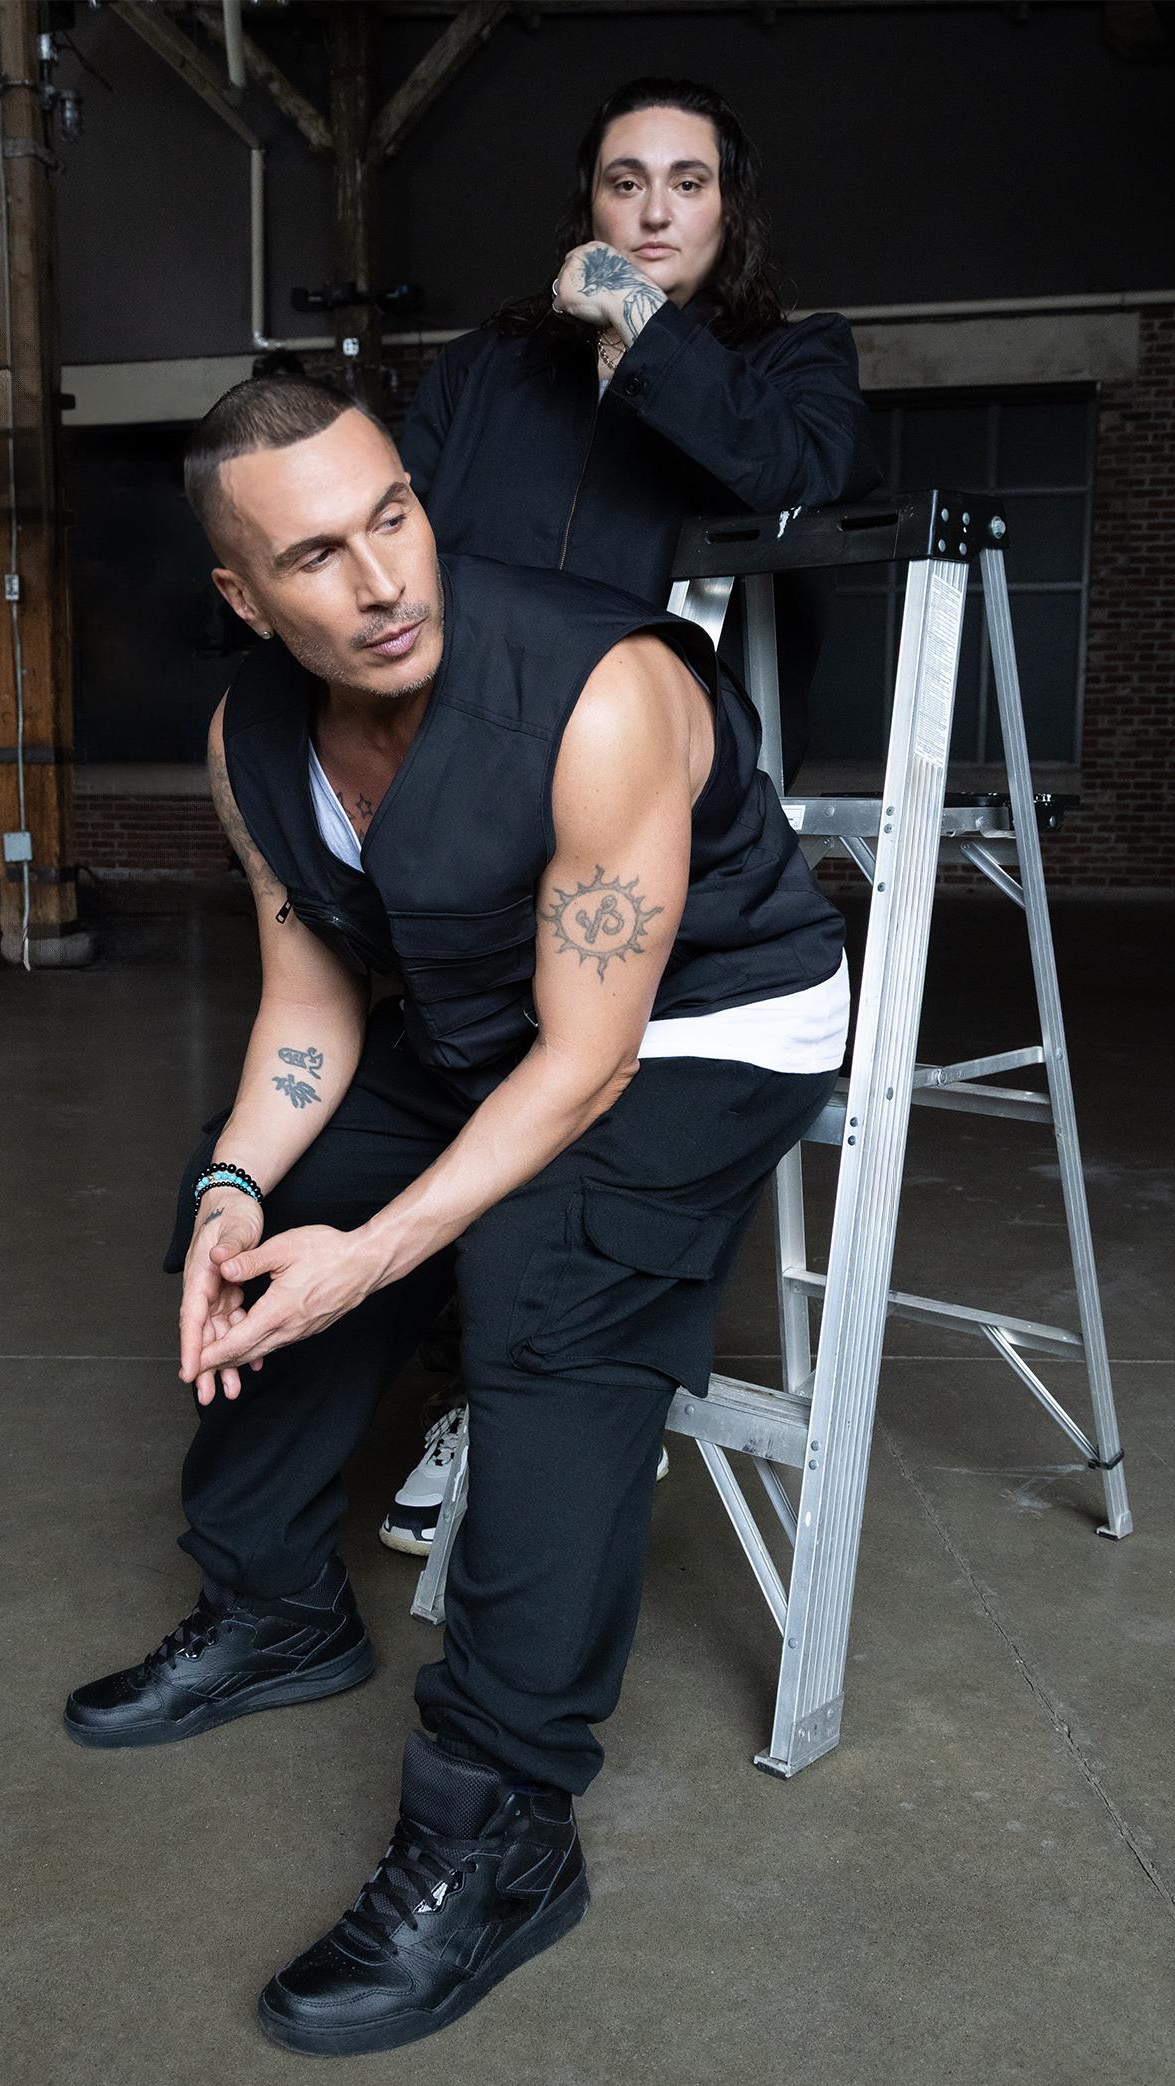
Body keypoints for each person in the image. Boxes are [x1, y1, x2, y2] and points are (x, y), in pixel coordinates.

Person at [64, 374, 847, 2054]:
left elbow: (587, 1064)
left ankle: (500, 1825)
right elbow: (309, 1000)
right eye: (316, 557)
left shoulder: (599, 691)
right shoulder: (250, 740)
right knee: (275, 1206)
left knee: (543, 1284)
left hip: (693, 1023)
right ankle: (273, 1606)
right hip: (478, 1010)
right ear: (242, 597)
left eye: (395, 516)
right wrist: (235, 1188)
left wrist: (377, 1255)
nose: (382, 582)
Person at [381, 73, 876, 1554]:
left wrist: (642, 329)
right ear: (584, 202)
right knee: (458, 1073)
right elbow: (404, 538)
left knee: (608, 1103)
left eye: (686, 182)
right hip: (475, 774)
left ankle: (572, 1391)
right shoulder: (491, 366)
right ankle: (486, 1388)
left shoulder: (789, 358)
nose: (653, 211)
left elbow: (794, 473)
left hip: (653, 795)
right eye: (623, 182)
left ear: (730, 207)